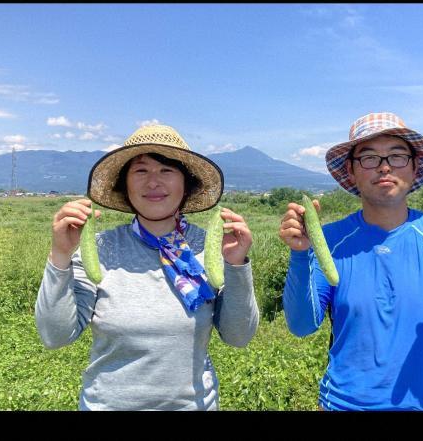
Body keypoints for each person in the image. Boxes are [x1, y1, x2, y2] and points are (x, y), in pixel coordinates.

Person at [279, 112, 423, 411]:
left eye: (397, 156)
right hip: (340, 405)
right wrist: (299, 254)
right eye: (369, 158)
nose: (384, 167)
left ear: (414, 168)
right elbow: (302, 325)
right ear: (352, 171)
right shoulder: (327, 242)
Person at [35, 124, 259, 411]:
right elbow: (55, 336)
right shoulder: (100, 250)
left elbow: (239, 336)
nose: (153, 182)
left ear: (186, 184)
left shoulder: (211, 249)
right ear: (125, 186)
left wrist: (236, 264)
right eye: (141, 171)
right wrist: (60, 255)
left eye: (166, 170)